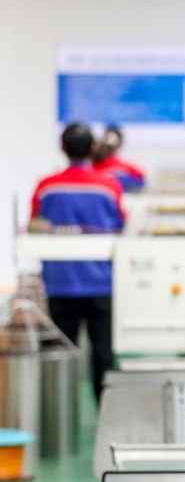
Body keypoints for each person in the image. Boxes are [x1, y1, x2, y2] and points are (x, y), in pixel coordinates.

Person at [28, 122, 125, 400]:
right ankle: (105, 413)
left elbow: (35, 225)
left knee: (60, 355)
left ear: (62, 148)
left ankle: (59, 412)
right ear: (93, 148)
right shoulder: (109, 186)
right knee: (103, 355)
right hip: (101, 283)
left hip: (61, 283)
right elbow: (121, 224)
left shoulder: (47, 187)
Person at [92, 125, 146, 192]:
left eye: (109, 147)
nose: (106, 149)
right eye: (104, 146)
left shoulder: (125, 169)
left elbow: (140, 178)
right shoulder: (90, 168)